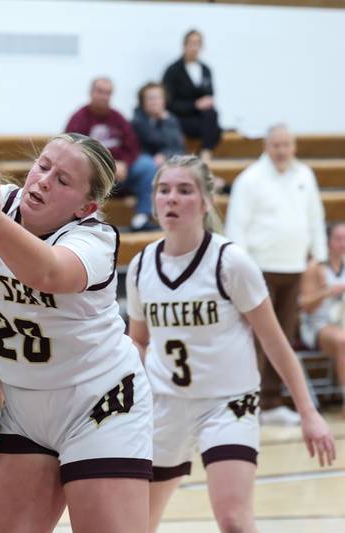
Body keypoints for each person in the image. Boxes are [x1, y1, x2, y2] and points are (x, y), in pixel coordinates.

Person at [0, 133, 153, 532]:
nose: (43, 180)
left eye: (63, 180)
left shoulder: (93, 240)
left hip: (99, 405)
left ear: (87, 206)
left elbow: (46, 272)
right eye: (43, 166)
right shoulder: (3, 205)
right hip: (25, 410)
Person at [126, 155, 336, 533]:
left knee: (234, 521)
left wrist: (308, 413)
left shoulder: (230, 262)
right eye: (164, 190)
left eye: (185, 190)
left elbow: (276, 343)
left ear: (206, 201)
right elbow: (137, 342)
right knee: (138, 521)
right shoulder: (141, 265)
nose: (172, 198)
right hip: (164, 403)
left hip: (227, 403)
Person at [225, 124, 327, 425]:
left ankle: (271, 403)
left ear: (293, 146)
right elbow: (237, 225)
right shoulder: (250, 179)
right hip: (260, 270)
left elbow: (315, 217)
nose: (282, 150)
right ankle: (248, 402)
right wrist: (238, 268)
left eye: (286, 145)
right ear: (266, 147)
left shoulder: (305, 176)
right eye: (276, 145)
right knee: (256, 338)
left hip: (294, 268)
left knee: (283, 338)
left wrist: (318, 258)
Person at [64, 77, 158, 231]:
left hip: (120, 174)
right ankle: (89, 219)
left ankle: (141, 218)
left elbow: (133, 146)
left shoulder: (117, 118)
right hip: (94, 176)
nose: (103, 96)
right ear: (91, 92)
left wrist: (124, 164)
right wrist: (109, 166)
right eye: (100, 91)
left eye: (108, 93)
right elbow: (72, 150)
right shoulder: (79, 119)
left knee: (147, 165)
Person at [299, 222, 345, 417]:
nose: (343, 243)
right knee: (343, 340)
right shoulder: (315, 267)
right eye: (339, 239)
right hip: (317, 324)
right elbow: (304, 305)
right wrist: (326, 292)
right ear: (327, 241)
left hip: (341, 320)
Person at [162, 29, 222, 162]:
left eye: (198, 43)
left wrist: (207, 102)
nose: (194, 47)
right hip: (181, 118)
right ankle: (205, 154)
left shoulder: (205, 69)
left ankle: (205, 151)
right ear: (184, 45)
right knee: (214, 128)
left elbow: (209, 93)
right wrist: (194, 105)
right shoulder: (173, 71)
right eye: (191, 43)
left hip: (202, 118)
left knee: (212, 114)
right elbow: (169, 103)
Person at [131, 82, 185, 167]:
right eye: (150, 98)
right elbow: (154, 140)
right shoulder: (138, 121)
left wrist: (165, 155)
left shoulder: (171, 119)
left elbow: (179, 147)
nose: (155, 102)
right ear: (142, 102)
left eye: (158, 98)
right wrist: (166, 122)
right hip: (146, 161)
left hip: (167, 159)